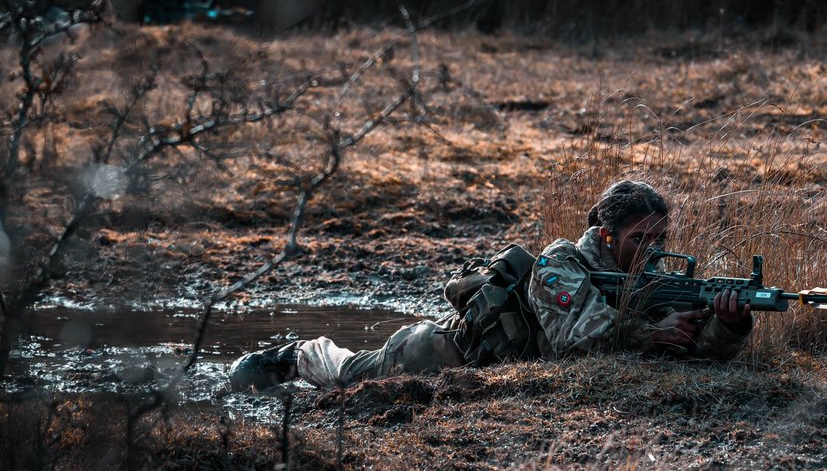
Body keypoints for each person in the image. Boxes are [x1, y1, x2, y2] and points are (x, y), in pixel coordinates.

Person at [228, 180, 754, 391]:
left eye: (662, 238)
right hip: (438, 354)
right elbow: (579, 335)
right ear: (605, 234)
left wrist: (728, 327)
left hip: (489, 373)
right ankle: (295, 354)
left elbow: (693, 352)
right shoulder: (560, 263)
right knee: (345, 373)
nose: (655, 251)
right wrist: (649, 332)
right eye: (642, 239)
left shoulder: (652, 275)